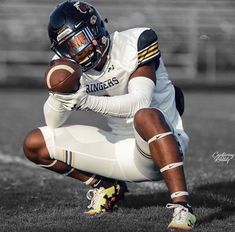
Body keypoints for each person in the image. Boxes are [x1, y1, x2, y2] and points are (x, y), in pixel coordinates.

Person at [23, 0, 196, 230]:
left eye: (79, 40)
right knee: (35, 143)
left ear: (94, 28)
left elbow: (139, 102)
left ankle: (182, 206)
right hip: (118, 149)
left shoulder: (136, 41)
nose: (78, 51)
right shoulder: (68, 66)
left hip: (160, 146)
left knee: (146, 115)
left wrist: (85, 101)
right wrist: (61, 91)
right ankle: (106, 185)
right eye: (69, 47)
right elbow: (52, 122)